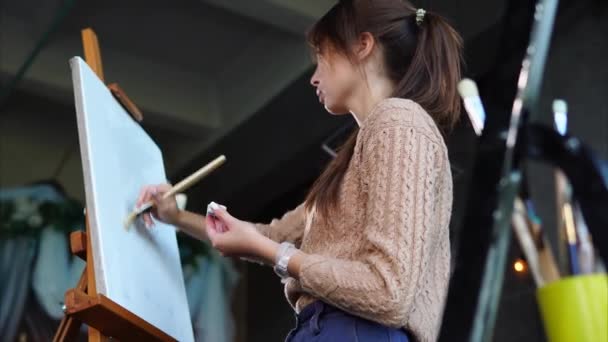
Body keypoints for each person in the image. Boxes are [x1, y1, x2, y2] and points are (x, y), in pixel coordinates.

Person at [137, 0, 463, 340]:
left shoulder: (399, 123)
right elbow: (272, 236)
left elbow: (388, 290)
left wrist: (279, 256)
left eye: (321, 55)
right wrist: (175, 216)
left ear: (363, 46)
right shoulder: (367, 144)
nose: (314, 77)